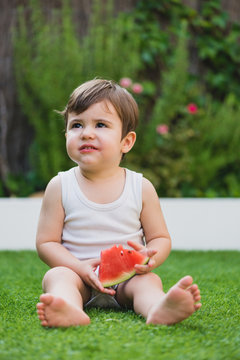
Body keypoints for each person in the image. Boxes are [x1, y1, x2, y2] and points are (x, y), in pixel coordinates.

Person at [36, 79, 201, 327]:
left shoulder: (141, 187)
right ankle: (68, 309)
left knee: (149, 282)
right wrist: (79, 268)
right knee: (56, 276)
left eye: (101, 124)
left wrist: (150, 259)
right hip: (79, 279)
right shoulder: (60, 186)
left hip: (127, 281)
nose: (87, 133)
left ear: (126, 141)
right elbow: (46, 242)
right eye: (76, 125)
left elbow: (160, 238)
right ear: (66, 133)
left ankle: (158, 307)